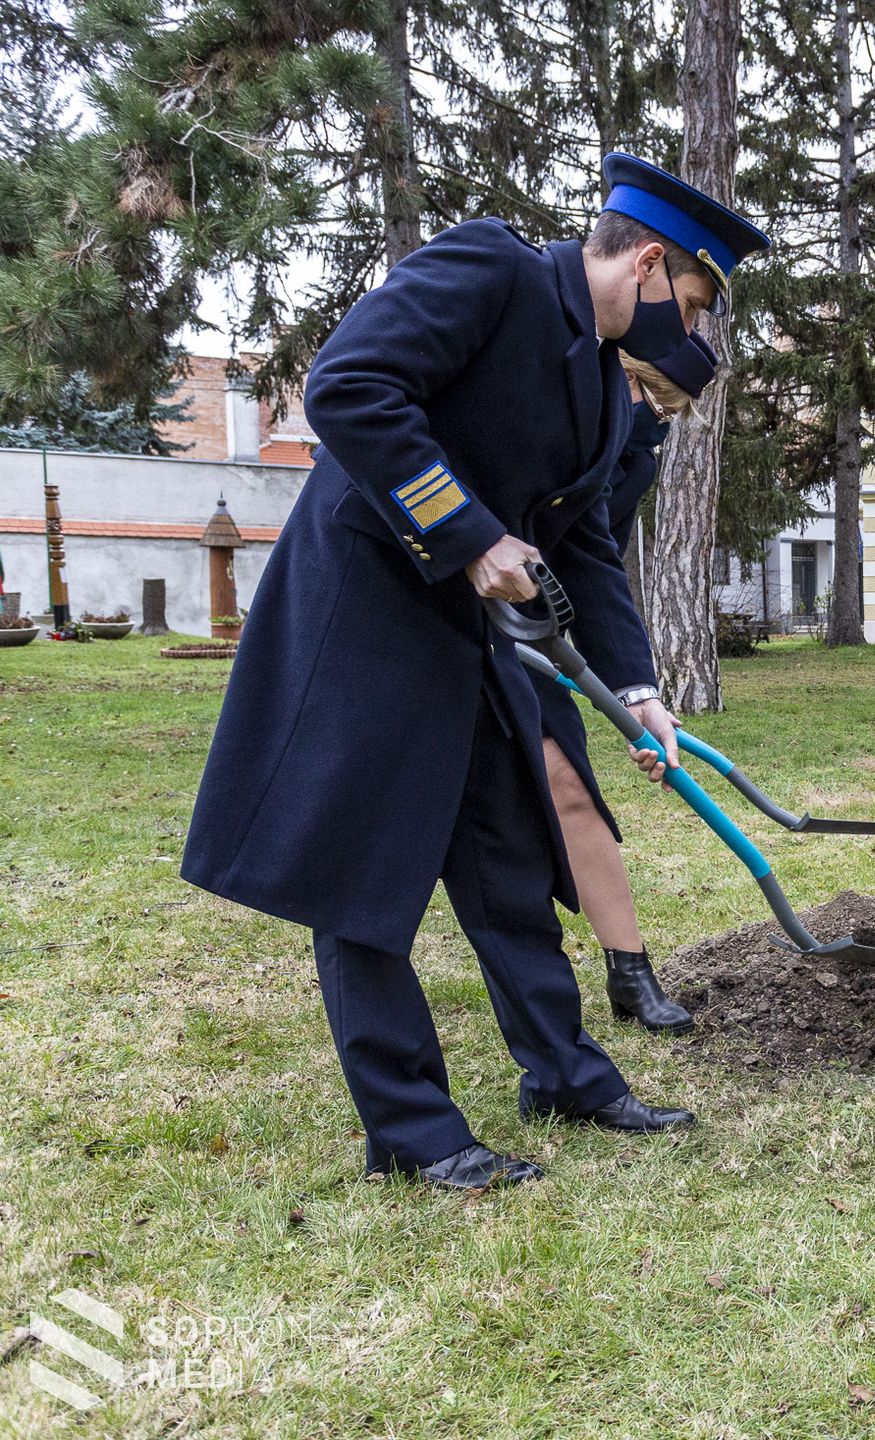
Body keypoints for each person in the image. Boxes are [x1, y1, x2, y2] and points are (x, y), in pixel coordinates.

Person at [181, 153, 769, 1189]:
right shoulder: (490, 269)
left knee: (507, 854)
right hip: (366, 613)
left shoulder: (598, 371)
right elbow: (348, 387)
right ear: (643, 265)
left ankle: (567, 1075)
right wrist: (471, 535)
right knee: (360, 878)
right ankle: (413, 1133)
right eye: (687, 300)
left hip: (471, 632)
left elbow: (582, 537)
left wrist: (637, 689)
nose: (687, 330)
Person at [531, 355, 702, 1034]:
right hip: (447, 625)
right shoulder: (548, 422)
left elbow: (595, 560)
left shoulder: (632, 464)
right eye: (647, 397)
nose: (652, 420)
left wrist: (634, 690)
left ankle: (629, 971)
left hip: (532, 633)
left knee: (569, 785)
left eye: (670, 412)